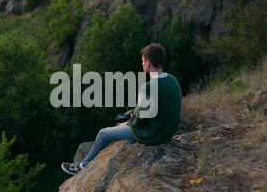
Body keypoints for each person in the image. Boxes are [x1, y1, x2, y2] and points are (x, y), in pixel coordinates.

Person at [61, 43, 182, 175]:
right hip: (168, 132)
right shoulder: (172, 80)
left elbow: (139, 121)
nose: (141, 64)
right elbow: (160, 106)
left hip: (153, 135)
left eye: (142, 61)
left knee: (104, 133)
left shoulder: (148, 87)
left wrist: (127, 123)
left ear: (148, 62)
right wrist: (133, 112)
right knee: (128, 116)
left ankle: (81, 166)